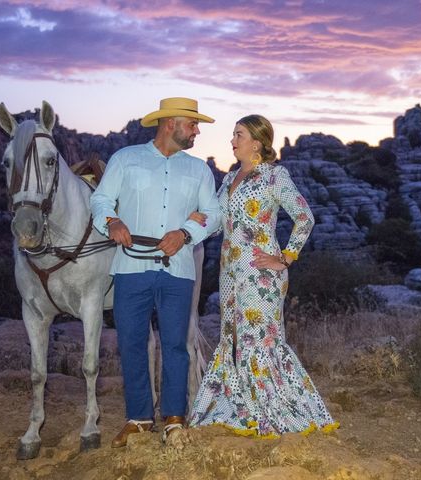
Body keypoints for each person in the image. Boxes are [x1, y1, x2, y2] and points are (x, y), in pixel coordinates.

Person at [188, 114, 338, 437]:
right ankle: (241, 410)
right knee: (234, 339)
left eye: (238, 134)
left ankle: (274, 412)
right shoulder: (229, 180)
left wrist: (285, 257)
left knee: (261, 341)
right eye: (233, 134)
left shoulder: (274, 176)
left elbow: (304, 217)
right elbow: (217, 224)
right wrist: (195, 220)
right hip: (229, 274)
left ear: (256, 142)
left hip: (262, 277)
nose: (232, 141)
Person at [90, 97, 221, 447]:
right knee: (131, 343)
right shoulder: (125, 159)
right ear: (169, 124)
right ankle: (139, 419)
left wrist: (186, 234)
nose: (196, 131)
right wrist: (112, 220)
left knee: (176, 345)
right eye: (191, 124)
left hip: (177, 270)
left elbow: (213, 212)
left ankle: (175, 419)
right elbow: (101, 200)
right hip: (130, 267)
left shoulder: (198, 170)